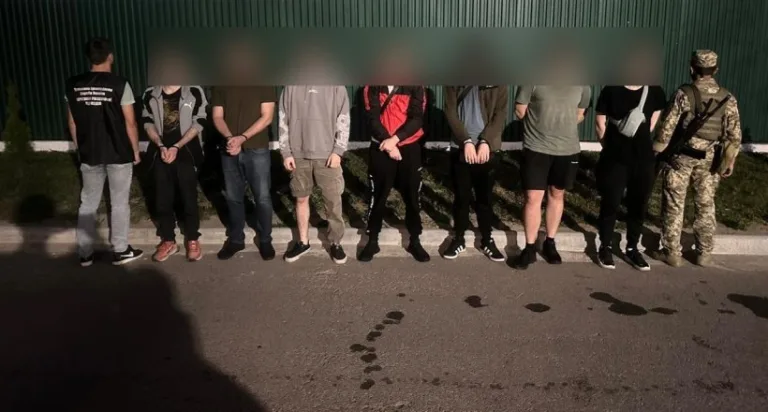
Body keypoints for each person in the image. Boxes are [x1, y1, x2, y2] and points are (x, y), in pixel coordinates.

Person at [653, 50, 742, 268]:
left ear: (692, 68)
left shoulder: (683, 94)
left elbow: (666, 129)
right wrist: (729, 161)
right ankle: (704, 253)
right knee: (705, 204)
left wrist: (658, 152)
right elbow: (734, 136)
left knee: (674, 203)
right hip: (710, 160)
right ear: (715, 70)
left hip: (681, 158)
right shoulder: (727, 98)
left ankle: (672, 253)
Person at [65, 37, 143, 267]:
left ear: (89, 58)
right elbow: (130, 123)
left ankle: (85, 253)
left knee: (88, 203)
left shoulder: (73, 84)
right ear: (110, 57)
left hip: (89, 153)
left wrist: (80, 148)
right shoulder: (120, 84)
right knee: (119, 203)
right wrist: (135, 150)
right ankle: (120, 250)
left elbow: (72, 122)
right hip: (118, 152)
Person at [513, 85, 592, 269]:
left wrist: (560, 126)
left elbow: (580, 113)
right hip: (536, 147)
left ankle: (550, 242)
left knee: (557, 194)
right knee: (532, 197)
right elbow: (520, 110)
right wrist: (541, 128)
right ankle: (530, 248)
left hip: (567, 149)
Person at [594, 84, 667, 270]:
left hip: (634, 159)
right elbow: (600, 123)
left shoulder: (653, 91)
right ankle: (612, 247)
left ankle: (626, 247)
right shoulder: (613, 90)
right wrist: (611, 147)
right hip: (625, 158)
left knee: (633, 204)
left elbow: (601, 124)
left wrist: (612, 145)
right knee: (616, 203)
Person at [279, 85, 350, 263]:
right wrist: (286, 152)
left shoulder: (336, 86)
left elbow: (343, 118)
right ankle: (303, 242)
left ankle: (335, 242)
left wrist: (338, 151)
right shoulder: (290, 86)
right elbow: (282, 119)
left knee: (332, 202)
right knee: (301, 199)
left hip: (328, 155)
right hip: (298, 154)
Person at [358, 85, 430, 263]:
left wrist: (395, 140)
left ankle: (415, 240)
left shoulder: (416, 86)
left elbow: (417, 118)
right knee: (377, 196)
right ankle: (372, 240)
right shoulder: (372, 86)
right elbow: (372, 118)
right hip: (381, 147)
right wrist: (388, 143)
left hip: (409, 147)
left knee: (413, 197)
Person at [141, 84, 208, 262]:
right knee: (162, 198)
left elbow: (200, 121)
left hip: (187, 152)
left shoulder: (194, 91)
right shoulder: (150, 94)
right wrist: (161, 145)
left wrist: (177, 146)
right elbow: (147, 122)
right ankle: (168, 240)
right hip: (160, 153)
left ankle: (192, 238)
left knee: (188, 197)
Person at [442, 85, 509, 261]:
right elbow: (450, 112)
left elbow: (500, 114)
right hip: (460, 147)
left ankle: (487, 240)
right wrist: (466, 141)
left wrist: (485, 141)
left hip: (487, 149)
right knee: (461, 198)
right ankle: (458, 239)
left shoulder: (498, 83)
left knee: (484, 199)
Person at [211, 86, 277, 261]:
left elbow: (267, 116)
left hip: (257, 148)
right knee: (233, 197)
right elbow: (217, 116)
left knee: (262, 197)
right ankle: (236, 239)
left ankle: (265, 239)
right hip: (229, 148)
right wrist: (230, 138)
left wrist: (242, 138)